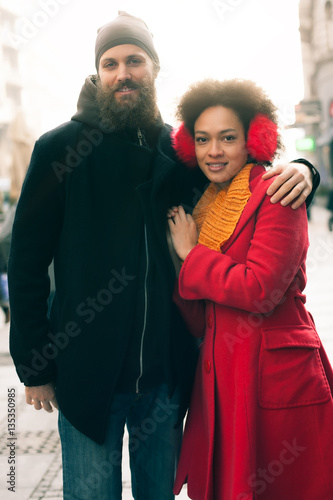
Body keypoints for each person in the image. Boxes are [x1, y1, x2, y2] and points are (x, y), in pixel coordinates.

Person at [8, 12, 319, 500]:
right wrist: (34, 365)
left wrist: (304, 168)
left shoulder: (179, 151)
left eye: (135, 60)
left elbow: (241, 174)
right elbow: (24, 264)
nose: (122, 73)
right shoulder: (58, 150)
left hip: (165, 379)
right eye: (110, 64)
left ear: (154, 68)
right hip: (87, 376)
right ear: (97, 73)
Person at [167, 78, 333, 500]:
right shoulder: (205, 205)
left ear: (253, 139)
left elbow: (260, 289)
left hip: (274, 376)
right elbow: (198, 308)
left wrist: (191, 255)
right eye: (202, 140)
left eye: (227, 138)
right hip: (223, 378)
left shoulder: (277, 192)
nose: (214, 151)